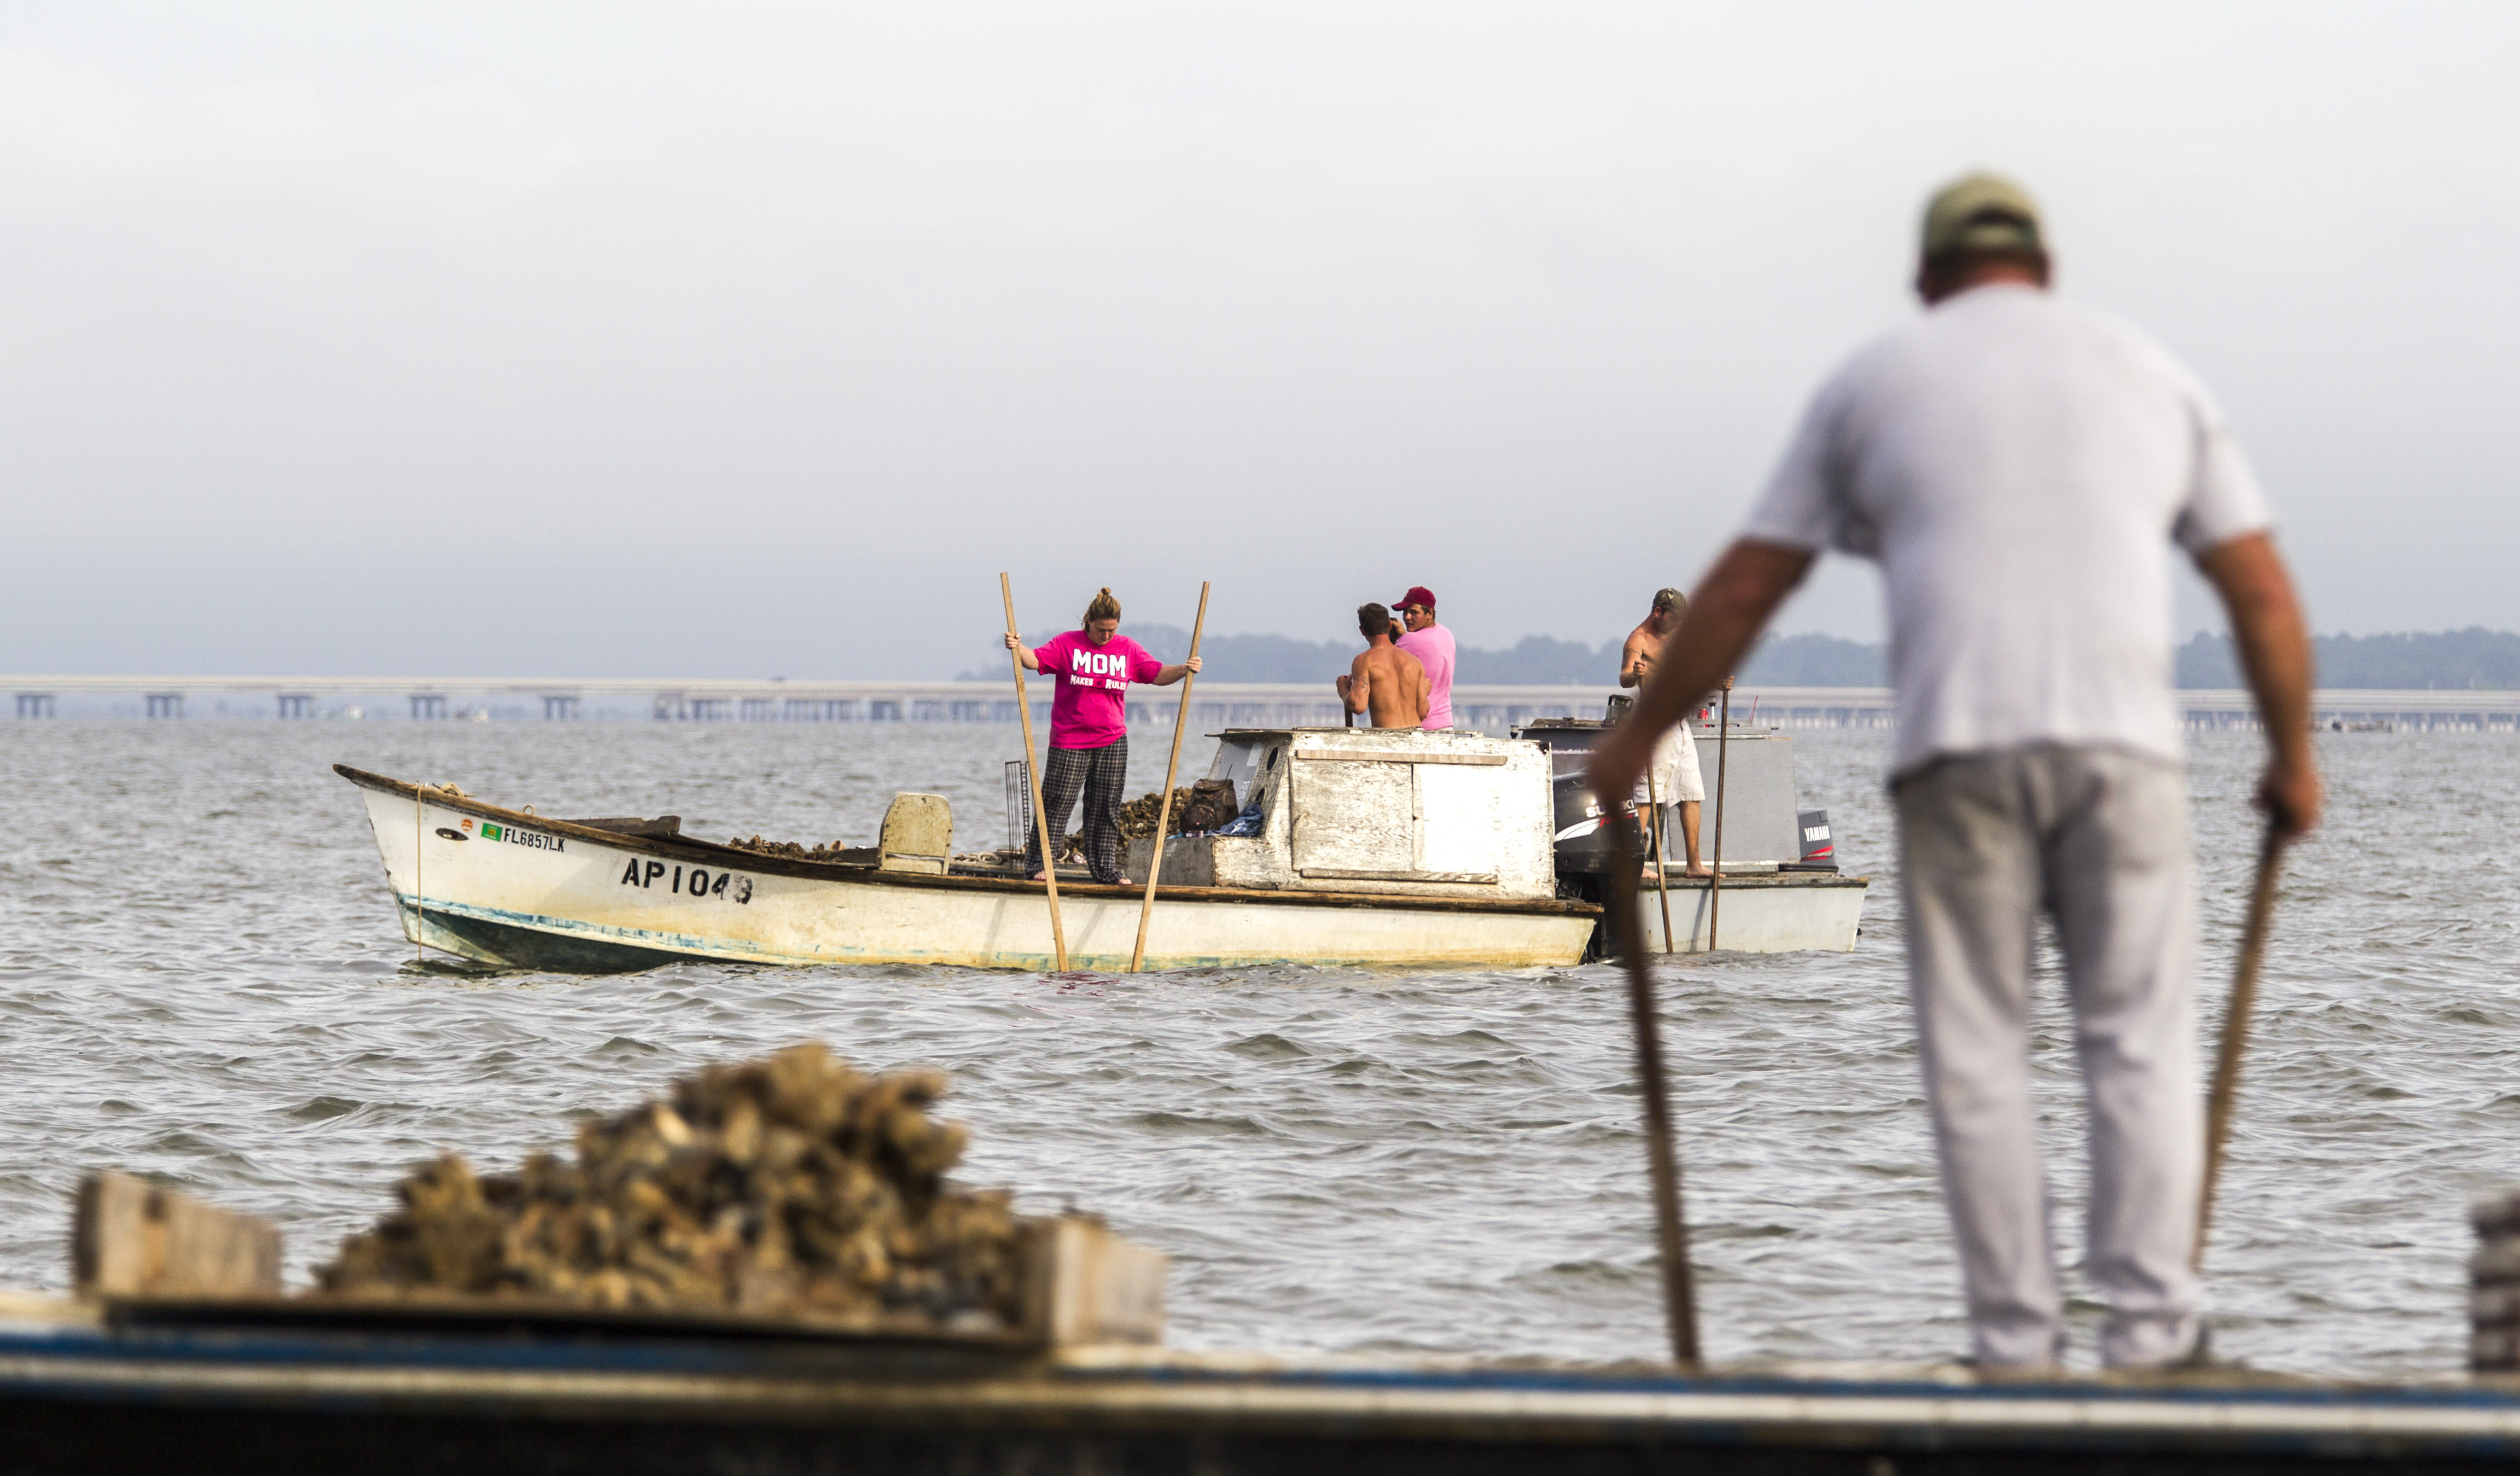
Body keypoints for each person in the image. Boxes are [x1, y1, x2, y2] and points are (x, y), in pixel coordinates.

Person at [1590, 173, 2320, 1373]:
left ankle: (2012, 1348)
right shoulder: (2147, 372)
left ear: (1926, 282)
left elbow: (1741, 589)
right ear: (2042, 270)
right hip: (2120, 753)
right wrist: (2290, 758)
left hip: (1957, 753)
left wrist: (1631, 737)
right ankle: (2149, 1338)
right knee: (2134, 1042)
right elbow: (2257, 587)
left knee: (1978, 1053)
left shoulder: (1876, 383)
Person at [1005, 587, 1201, 886]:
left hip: (1112, 740)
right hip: (1070, 740)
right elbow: (1034, 661)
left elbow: (1157, 674)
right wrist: (1017, 647)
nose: (1106, 636)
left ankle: (1105, 871)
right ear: (1089, 622)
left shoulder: (1127, 648)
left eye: (1112, 631)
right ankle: (1037, 865)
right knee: (1057, 804)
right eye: (1101, 630)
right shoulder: (1067, 644)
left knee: (1105, 808)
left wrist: (1185, 669)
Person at [1620, 587, 1715, 877]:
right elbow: (1624, 678)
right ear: (1658, 613)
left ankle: (1694, 864)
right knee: (1648, 792)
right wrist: (1635, 674)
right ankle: (1636, 865)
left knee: (1691, 790)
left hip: (1681, 724)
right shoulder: (1638, 639)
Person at [1336, 603, 1430, 729]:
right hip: (1416, 738)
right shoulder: (1414, 662)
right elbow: (1423, 712)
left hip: (1388, 739)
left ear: (1362, 631)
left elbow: (1358, 706)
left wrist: (1343, 690)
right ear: (1390, 625)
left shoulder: (1365, 661)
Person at [1392, 585, 1456, 730]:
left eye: (1414, 612)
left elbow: (1386, 662)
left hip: (1423, 725)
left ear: (1430, 614)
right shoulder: (1446, 635)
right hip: (1445, 723)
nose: (1407, 617)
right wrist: (1404, 637)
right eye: (1405, 612)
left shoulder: (1410, 641)